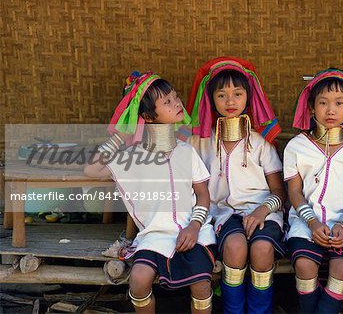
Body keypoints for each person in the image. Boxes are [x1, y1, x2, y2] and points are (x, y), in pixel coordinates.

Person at [84, 71, 216, 313]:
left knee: (201, 284)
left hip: (193, 230)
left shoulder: (186, 152)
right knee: (139, 279)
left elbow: (203, 194)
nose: (177, 103)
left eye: (175, 97)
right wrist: (121, 135)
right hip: (154, 235)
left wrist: (195, 226)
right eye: (167, 101)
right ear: (146, 116)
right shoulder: (133, 157)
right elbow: (92, 169)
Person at [186, 57, 286, 314]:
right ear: (211, 100)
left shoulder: (260, 141)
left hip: (263, 210)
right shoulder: (200, 143)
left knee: (262, 249)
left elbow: (279, 192)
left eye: (237, 94)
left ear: (248, 97)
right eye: (222, 95)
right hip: (221, 212)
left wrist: (261, 211)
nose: (230, 102)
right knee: (234, 246)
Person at [283, 68, 343, 313]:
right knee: (304, 264)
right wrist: (312, 223)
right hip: (306, 220)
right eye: (323, 103)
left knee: (342, 267)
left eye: (339, 102)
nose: (331, 110)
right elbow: (294, 192)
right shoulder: (297, 146)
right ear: (312, 108)